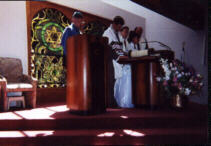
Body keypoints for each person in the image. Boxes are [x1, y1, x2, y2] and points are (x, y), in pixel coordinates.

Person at [103, 16, 134, 108]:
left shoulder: (116, 34)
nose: (120, 29)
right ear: (115, 24)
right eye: (119, 27)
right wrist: (119, 58)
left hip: (116, 60)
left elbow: (119, 47)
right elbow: (108, 48)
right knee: (110, 82)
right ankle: (109, 103)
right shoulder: (107, 33)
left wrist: (125, 55)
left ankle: (113, 101)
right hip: (109, 61)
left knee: (114, 82)